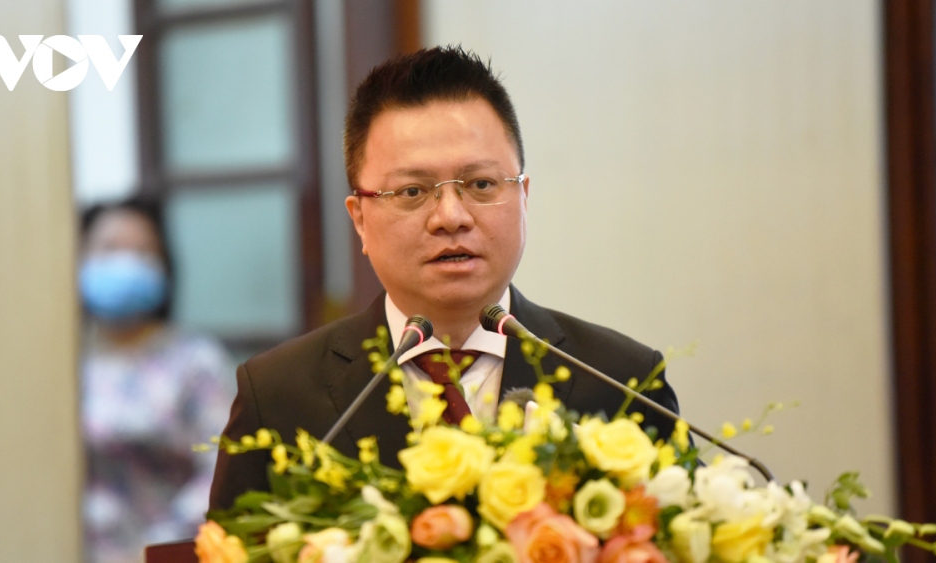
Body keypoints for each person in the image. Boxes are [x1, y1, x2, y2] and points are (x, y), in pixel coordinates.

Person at [209, 46, 683, 510]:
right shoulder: (277, 395)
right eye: (412, 191)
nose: (451, 217)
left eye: (481, 184)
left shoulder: (622, 380)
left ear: (523, 197)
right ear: (359, 219)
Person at [78, 198, 235, 563]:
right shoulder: (60, 365)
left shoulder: (195, 362)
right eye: (110, 249)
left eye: (143, 252)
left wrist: (159, 546)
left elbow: (223, 467)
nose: (126, 263)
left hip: (169, 552)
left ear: (165, 267)